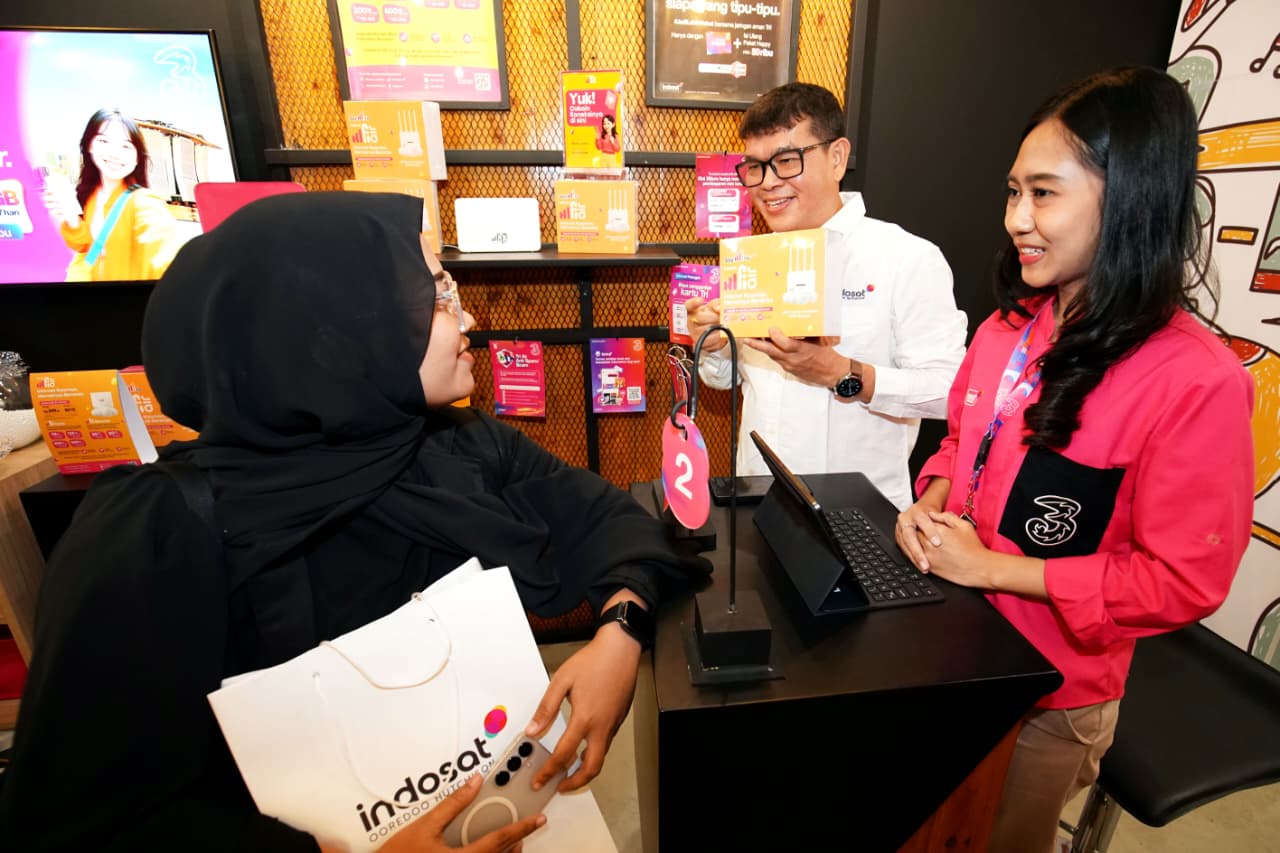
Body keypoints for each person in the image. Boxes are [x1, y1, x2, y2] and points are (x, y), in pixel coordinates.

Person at [0, 192, 702, 852]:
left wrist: (621, 632)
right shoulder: (152, 533)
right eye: (434, 297)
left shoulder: (455, 445)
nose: (467, 321)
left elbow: (604, 517)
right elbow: (83, 817)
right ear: (332, 337)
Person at [894, 67, 1255, 853]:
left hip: (1053, 696)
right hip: (951, 641)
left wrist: (992, 567)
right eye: (1012, 192)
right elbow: (959, 443)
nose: (1016, 218)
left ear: (1129, 199)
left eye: (1043, 194)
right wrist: (932, 500)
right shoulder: (1007, 328)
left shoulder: (1196, 380)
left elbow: (1181, 579)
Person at [685, 83, 966, 509]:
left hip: (862, 514)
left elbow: (949, 391)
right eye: (755, 167)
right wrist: (715, 346)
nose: (768, 183)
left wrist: (841, 373)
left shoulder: (906, 257)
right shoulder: (753, 259)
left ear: (837, 157)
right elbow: (729, 380)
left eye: (786, 161)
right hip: (761, 502)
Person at [40, 107, 182, 282]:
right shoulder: (91, 195)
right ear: (89, 145)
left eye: (126, 146)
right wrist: (72, 218)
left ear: (137, 157)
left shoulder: (144, 202)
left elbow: (166, 256)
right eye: (103, 141)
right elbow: (87, 247)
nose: (115, 154)